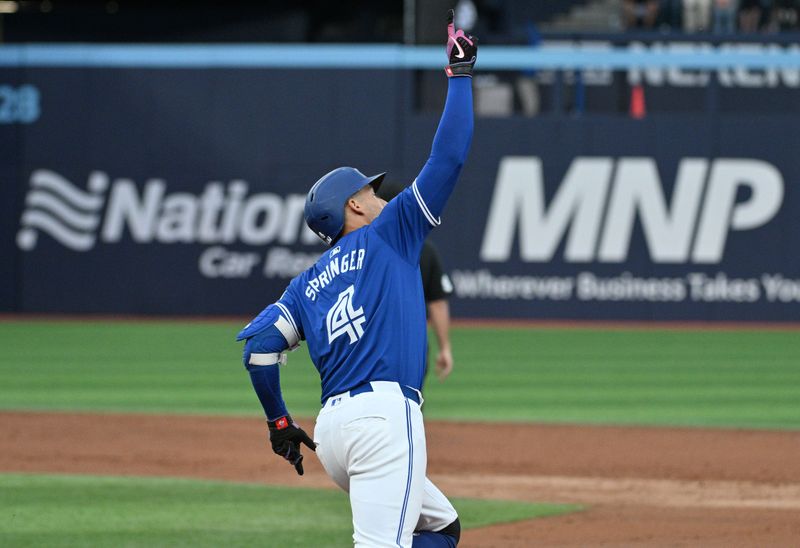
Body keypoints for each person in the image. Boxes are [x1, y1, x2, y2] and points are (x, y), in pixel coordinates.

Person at [236, 10, 476, 548]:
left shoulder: (305, 285)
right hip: (384, 420)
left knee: (441, 527)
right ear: (354, 207)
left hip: (335, 436)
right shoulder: (391, 231)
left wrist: (279, 424)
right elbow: (451, 156)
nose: (380, 192)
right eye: (371, 189)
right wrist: (460, 78)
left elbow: (258, 350)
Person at [378, 182, 455, 386]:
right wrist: (444, 347)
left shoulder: (363, 248)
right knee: (411, 403)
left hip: (373, 345)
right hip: (413, 345)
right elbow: (437, 303)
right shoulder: (425, 250)